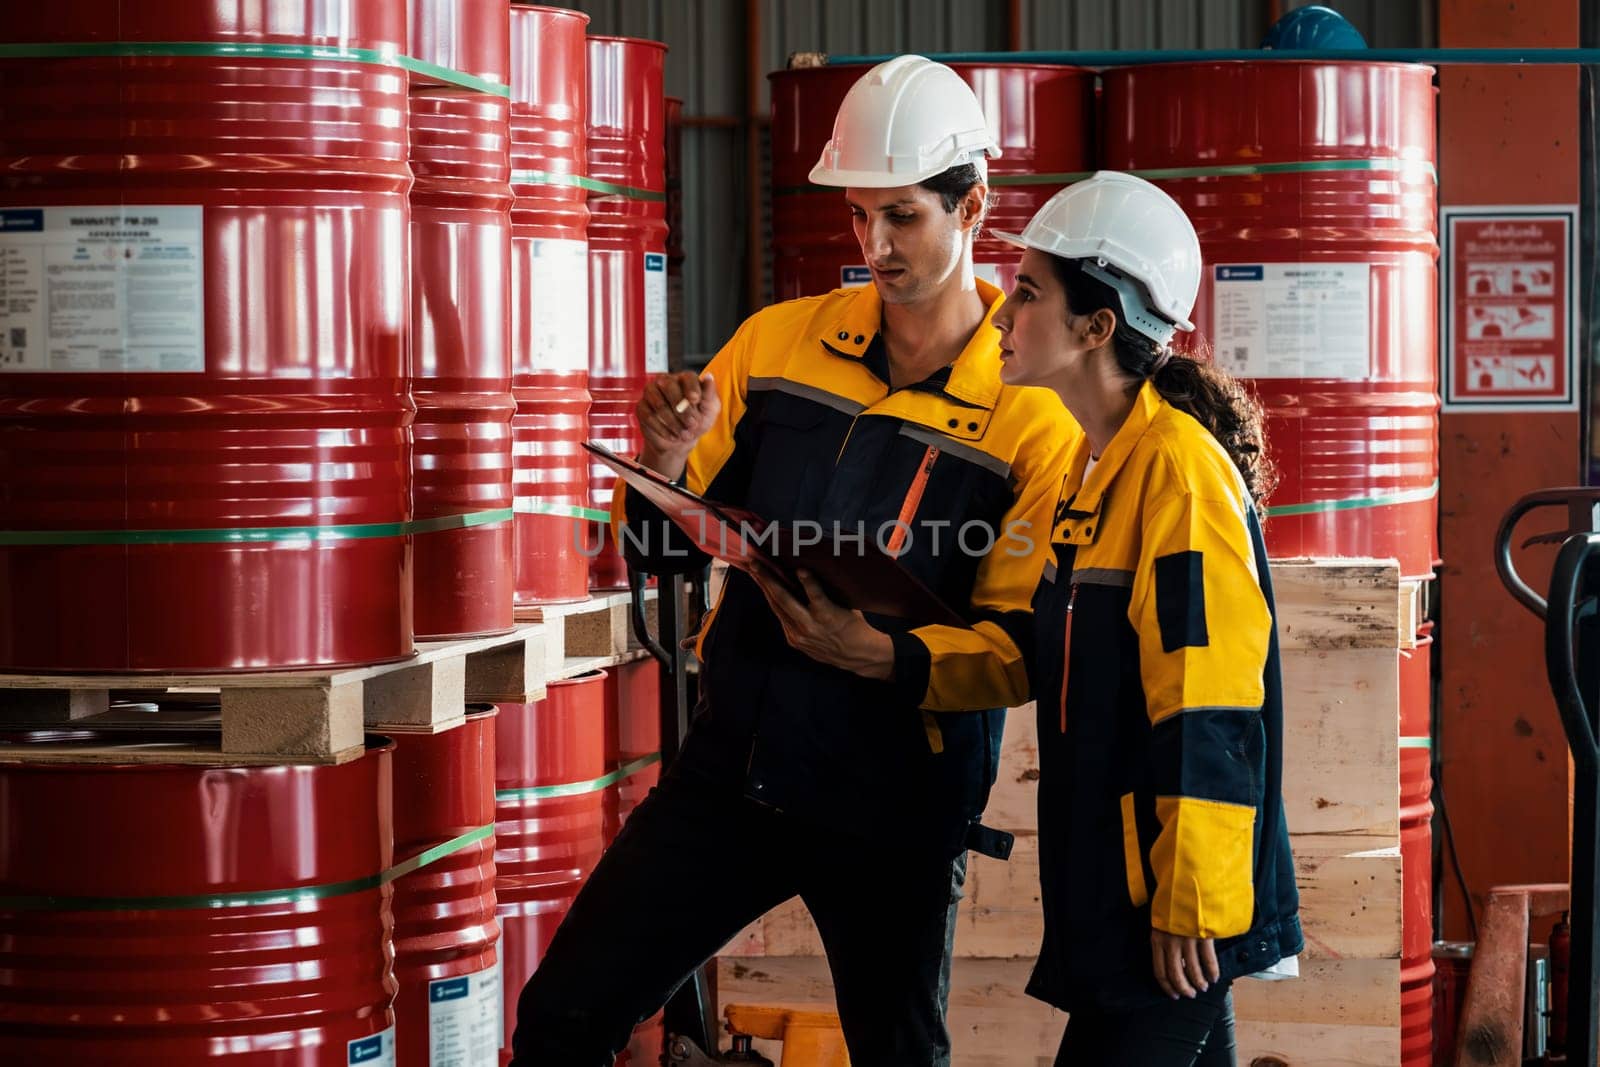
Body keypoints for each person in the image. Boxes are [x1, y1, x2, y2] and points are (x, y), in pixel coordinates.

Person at [508, 56, 1076, 1066]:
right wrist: (664, 458)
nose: (875, 245)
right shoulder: (777, 343)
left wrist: (881, 657)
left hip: (896, 801)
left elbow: (1022, 644)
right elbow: (648, 546)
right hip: (738, 774)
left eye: (901, 216)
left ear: (972, 206)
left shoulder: (1031, 407)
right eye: (859, 217)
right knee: (563, 1014)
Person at [989, 172, 1303, 1066]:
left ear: (1097, 326)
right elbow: (1044, 654)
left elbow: (1210, 701)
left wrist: (1193, 903)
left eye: (1028, 292)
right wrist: (894, 659)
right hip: (1118, 893)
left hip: (1165, 911)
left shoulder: (1178, 475)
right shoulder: (1094, 472)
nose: (1002, 317)